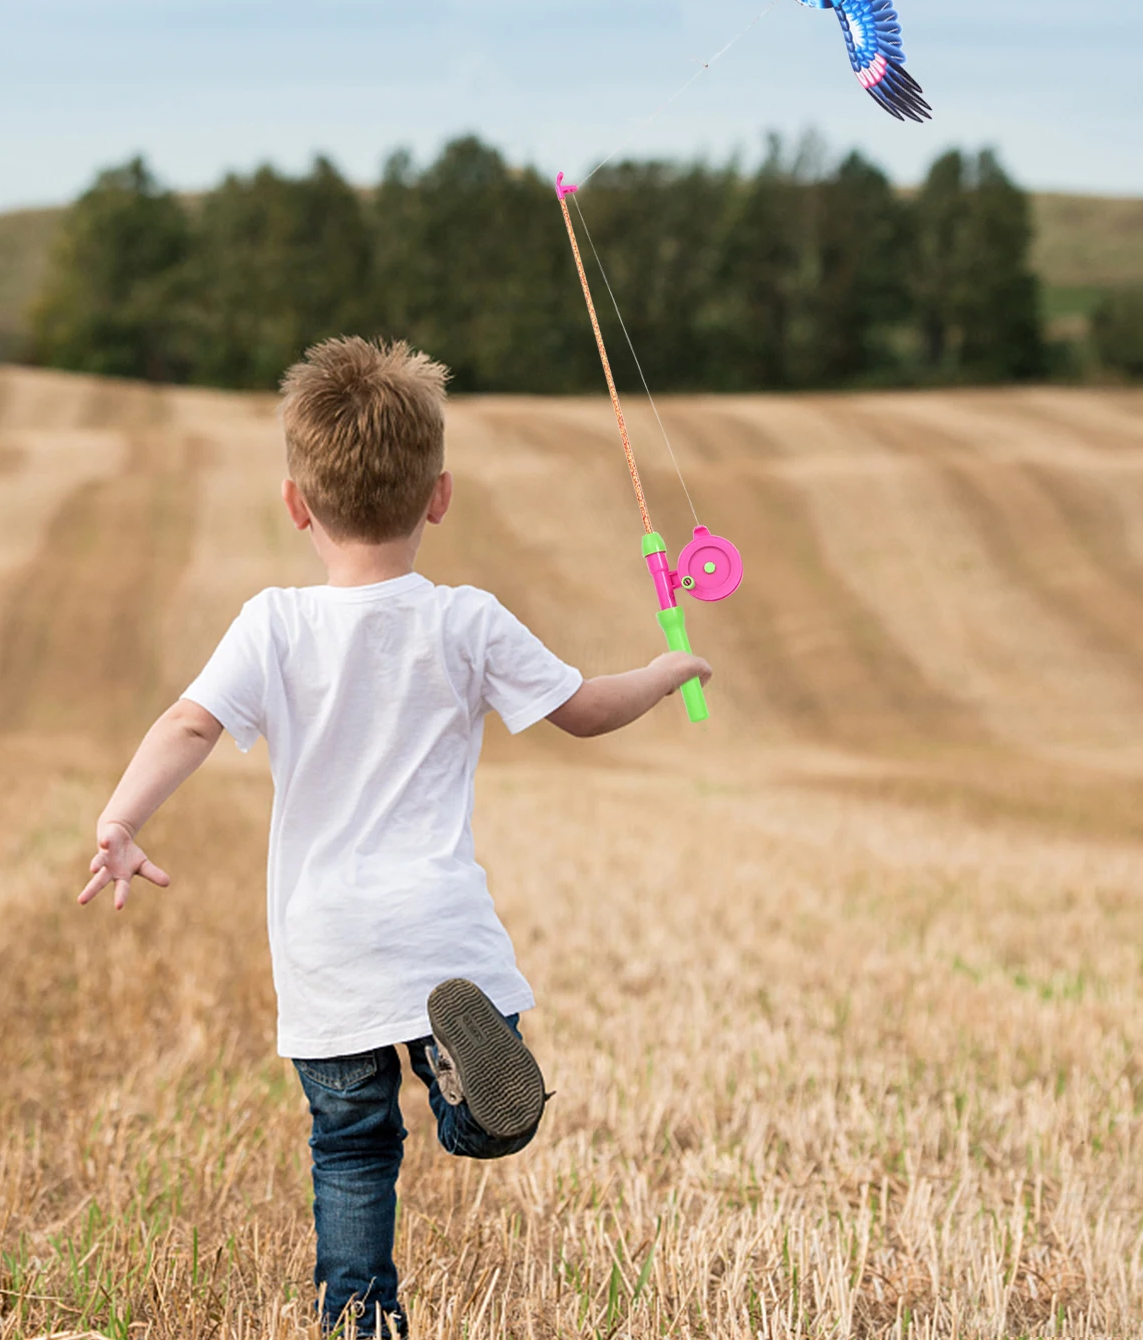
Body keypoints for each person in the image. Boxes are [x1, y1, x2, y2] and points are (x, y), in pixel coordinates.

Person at [78, 336, 711, 1336]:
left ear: (297, 503)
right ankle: (469, 1097)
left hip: (326, 941)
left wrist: (120, 820)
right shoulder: (464, 620)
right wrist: (667, 669)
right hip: (436, 929)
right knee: (483, 1116)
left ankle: (360, 1314)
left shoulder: (272, 623)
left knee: (352, 1147)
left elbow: (187, 723)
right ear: (440, 495)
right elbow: (584, 709)